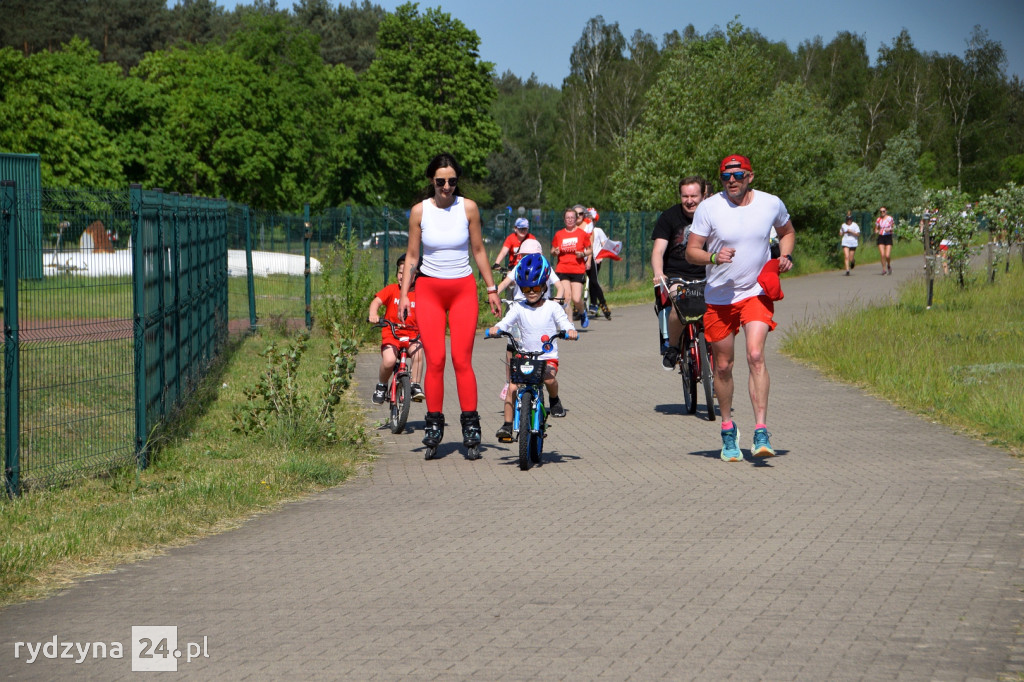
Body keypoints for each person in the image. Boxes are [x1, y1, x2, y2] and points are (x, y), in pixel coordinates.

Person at [686, 154, 795, 462]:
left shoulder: (770, 203)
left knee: (756, 355)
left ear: (750, 176)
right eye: (725, 176)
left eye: (737, 175)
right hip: (719, 298)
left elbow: (787, 233)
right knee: (723, 366)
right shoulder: (709, 208)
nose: (731, 180)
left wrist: (785, 257)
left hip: (756, 292)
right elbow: (692, 251)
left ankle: (761, 430)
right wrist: (713, 257)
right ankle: (728, 428)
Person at [399, 152, 501, 458]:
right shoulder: (419, 212)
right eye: (441, 181)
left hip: (462, 289)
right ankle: (434, 426)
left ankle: (471, 427)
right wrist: (405, 294)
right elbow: (413, 256)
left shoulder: (467, 207)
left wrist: (492, 289)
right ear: (432, 180)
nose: (447, 187)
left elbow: (480, 250)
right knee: (437, 359)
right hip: (429, 289)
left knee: (461, 359)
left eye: (452, 181)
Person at [488, 254, 578, 441]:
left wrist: (570, 330)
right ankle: (506, 425)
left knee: (549, 379)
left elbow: (564, 322)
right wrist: (498, 329)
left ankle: (554, 400)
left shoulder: (552, 307)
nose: (531, 292)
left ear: (544, 286)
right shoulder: (519, 307)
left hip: (547, 356)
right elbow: (506, 322)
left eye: (535, 287)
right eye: (526, 288)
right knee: (512, 388)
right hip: (524, 356)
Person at [495, 239, 565, 402]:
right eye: (522, 255)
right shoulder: (520, 267)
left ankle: (547, 385)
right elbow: (505, 283)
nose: (524, 258)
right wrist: (494, 294)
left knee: (537, 346)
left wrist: (557, 300)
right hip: (519, 310)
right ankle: (509, 380)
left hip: (539, 310)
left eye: (528, 255)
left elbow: (559, 286)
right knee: (511, 345)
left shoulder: (544, 266)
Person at [651, 176, 709, 370]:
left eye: (694, 195)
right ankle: (673, 347)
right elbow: (658, 251)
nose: (689, 200)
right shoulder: (669, 217)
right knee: (680, 303)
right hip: (677, 275)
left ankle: (716, 364)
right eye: (685, 196)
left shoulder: (713, 214)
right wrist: (659, 272)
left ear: (704, 195)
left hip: (708, 274)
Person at [368, 254, 425, 404]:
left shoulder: (421, 293)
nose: (402, 276)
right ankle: (381, 385)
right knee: (389, 360)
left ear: (417, 275)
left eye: (408, 273)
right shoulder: (392, 290)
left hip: (413, 334)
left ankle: (415, 385)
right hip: (392, 334)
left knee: (418, 354)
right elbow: (376, 302)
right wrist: (373, 314)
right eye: (400, 272)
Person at [551, 207, 592, 329]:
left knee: (576, 298)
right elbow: (552, 250)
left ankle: (582, 312)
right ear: (564, 220)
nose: (570, 220)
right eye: (567, 218)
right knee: (567, 297)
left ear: (576, 219)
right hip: (562, 268)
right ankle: (569, 324)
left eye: (572, 218)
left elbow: (590, 249)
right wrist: (555, 252)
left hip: (577, 269)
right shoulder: (559, 234)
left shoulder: (582, 234)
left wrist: (583, 254)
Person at [581, 207, 612, 320]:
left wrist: (601, 256)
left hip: (594, 259)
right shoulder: (582, 230)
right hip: (581, 258)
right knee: (580, 281)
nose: (590, 222)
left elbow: (604, 245)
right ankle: (578, 306)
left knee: (593, 282)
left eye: (592, 220)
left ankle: (600, 304)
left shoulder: (597, 231)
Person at [874, 206, 895, 275]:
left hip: (888, 236)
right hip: (881, 236)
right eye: (881, 211)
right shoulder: (878, 219)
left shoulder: (890, 218)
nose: (882, 213)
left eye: (883, 211)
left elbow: (893, 227)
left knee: (887, 255)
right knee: (882, 254)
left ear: (886, 212)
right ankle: (884, 269)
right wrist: (876, 231)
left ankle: (888, 265)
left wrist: (889, 229)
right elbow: (876, 228)